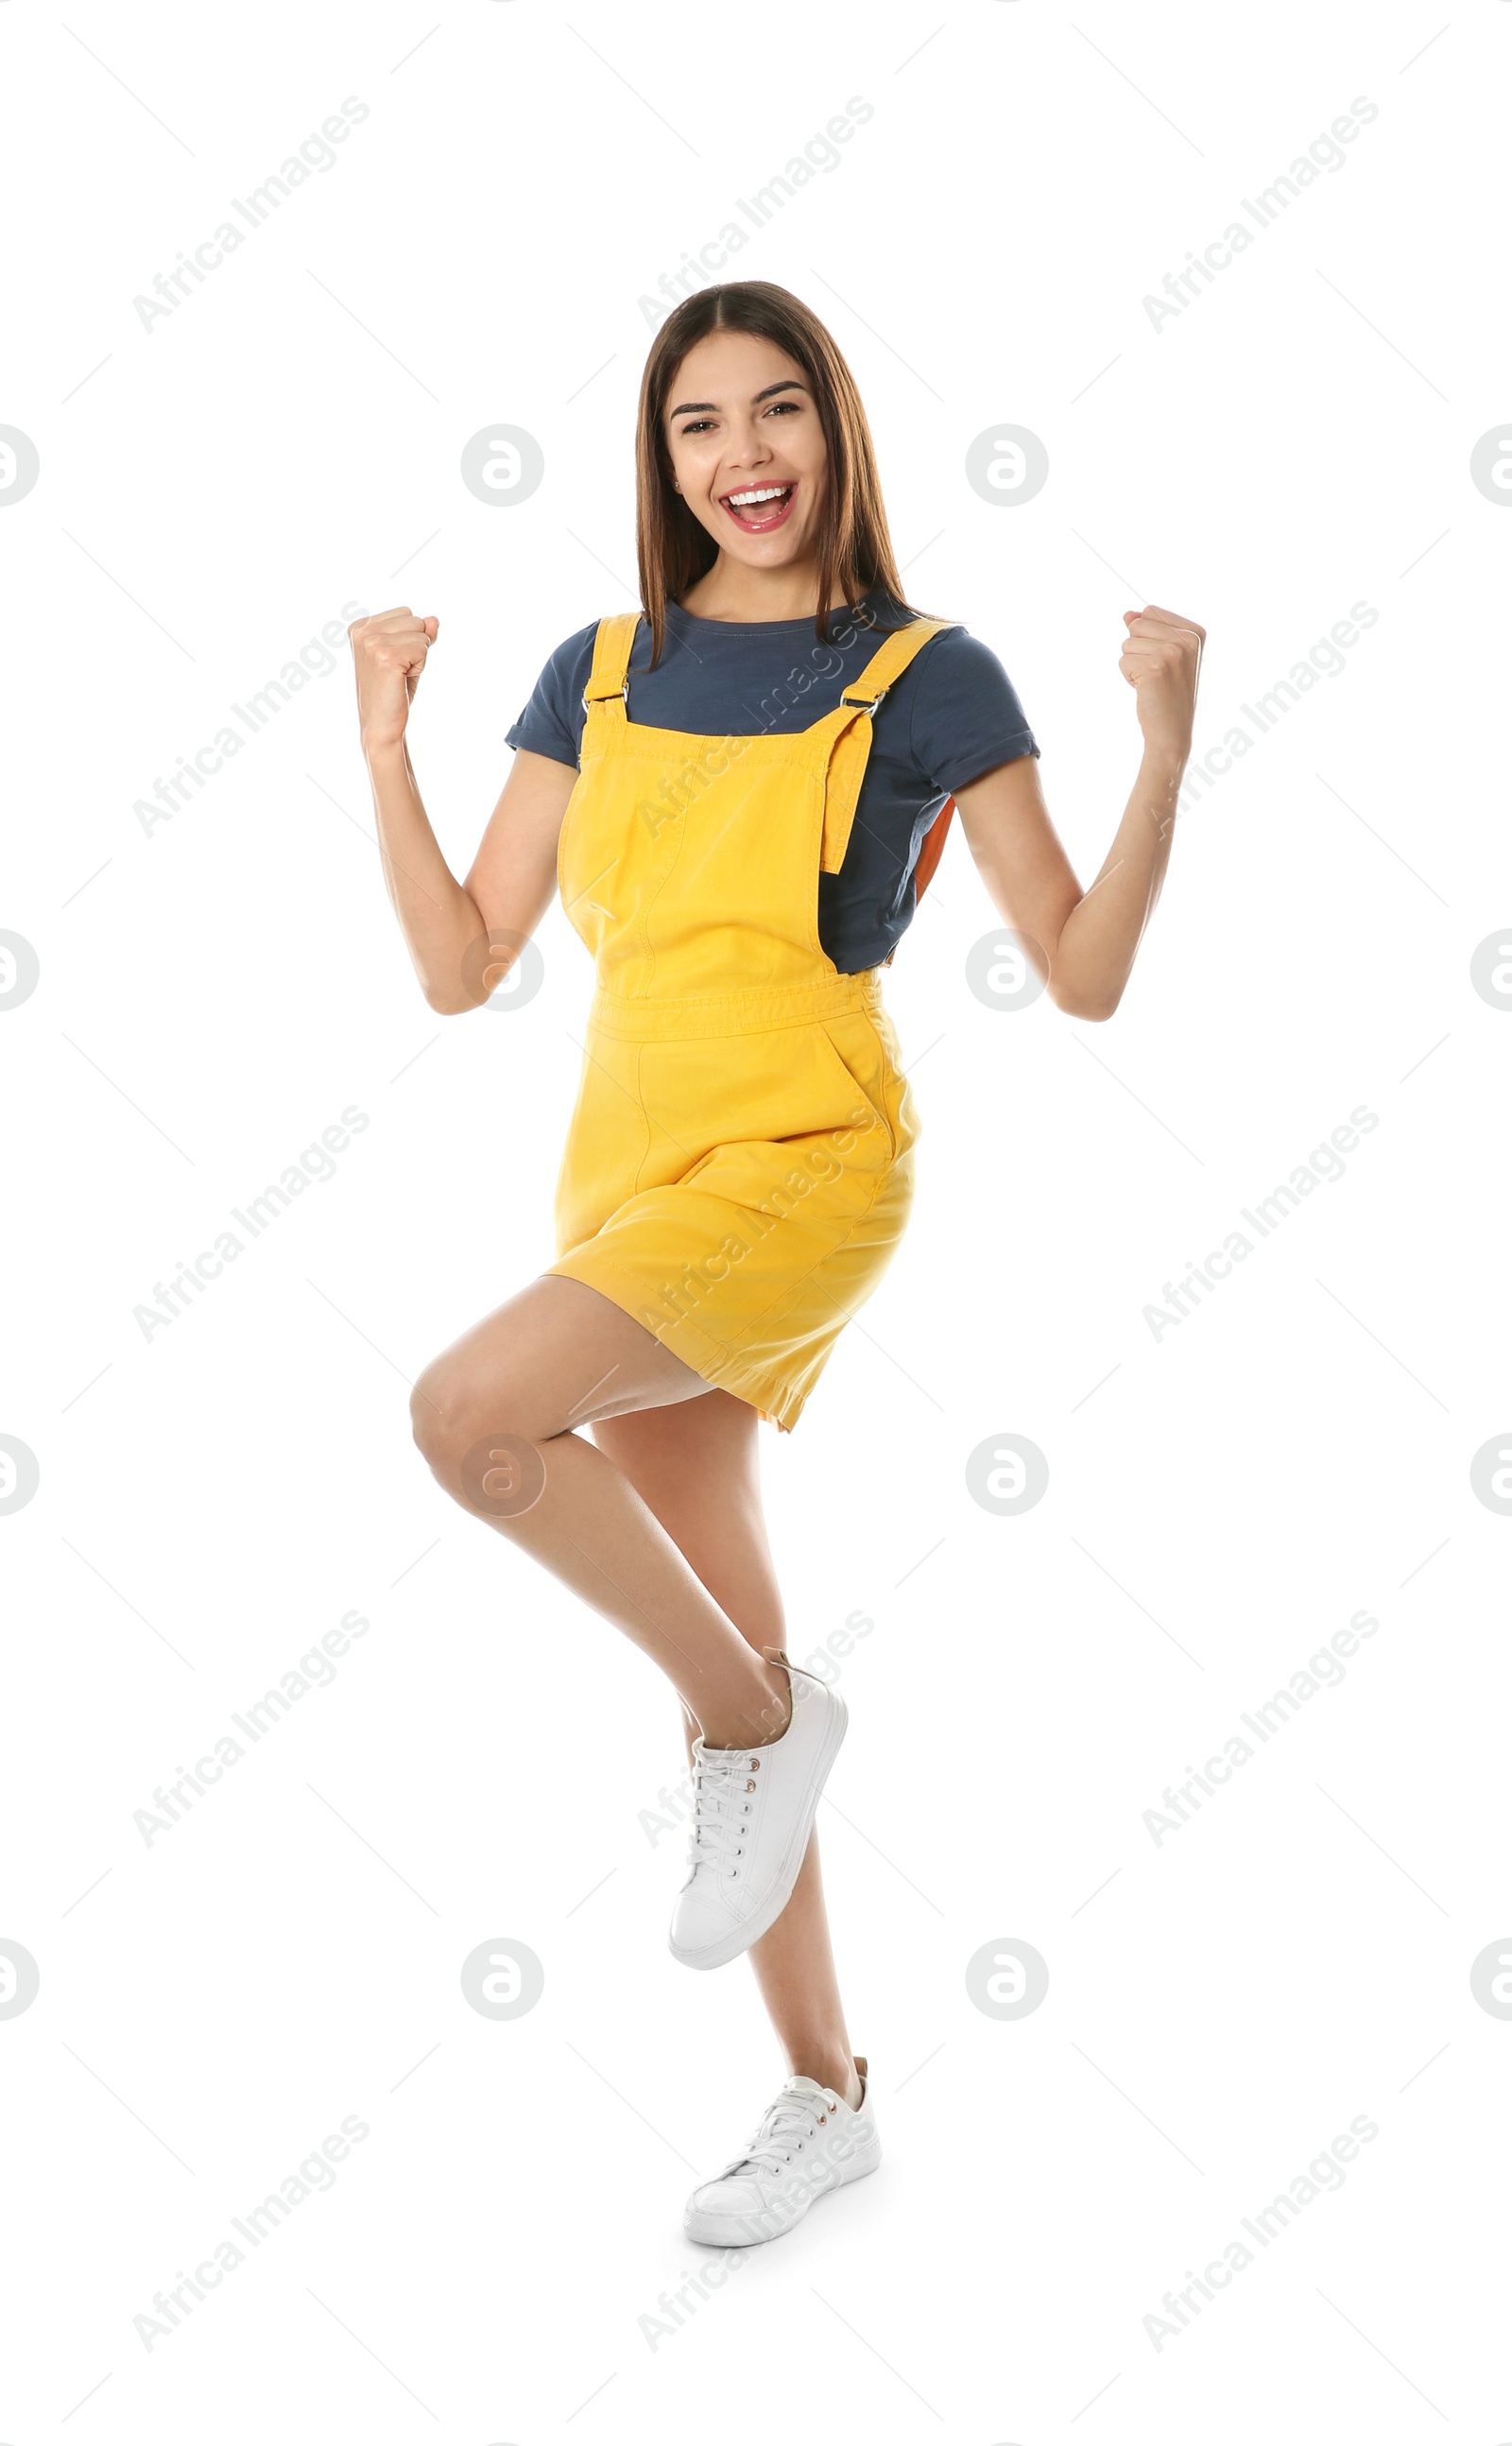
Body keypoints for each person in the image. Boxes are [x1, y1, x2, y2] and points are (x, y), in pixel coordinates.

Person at [349, 279, 1203, 2248]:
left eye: (777, 411)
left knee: (470, 1417)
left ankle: (758, 1721)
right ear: (656, 460)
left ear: (835, 433)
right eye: (694, 425)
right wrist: (384, 745)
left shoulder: (922, 673)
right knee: (710, 1620)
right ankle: (825, 2093)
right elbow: (462, 961)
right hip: (624, 1180)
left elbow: (1074, 973)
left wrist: (1160, 751)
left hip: (805, 1171)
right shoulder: (598, 666)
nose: (740, 458)